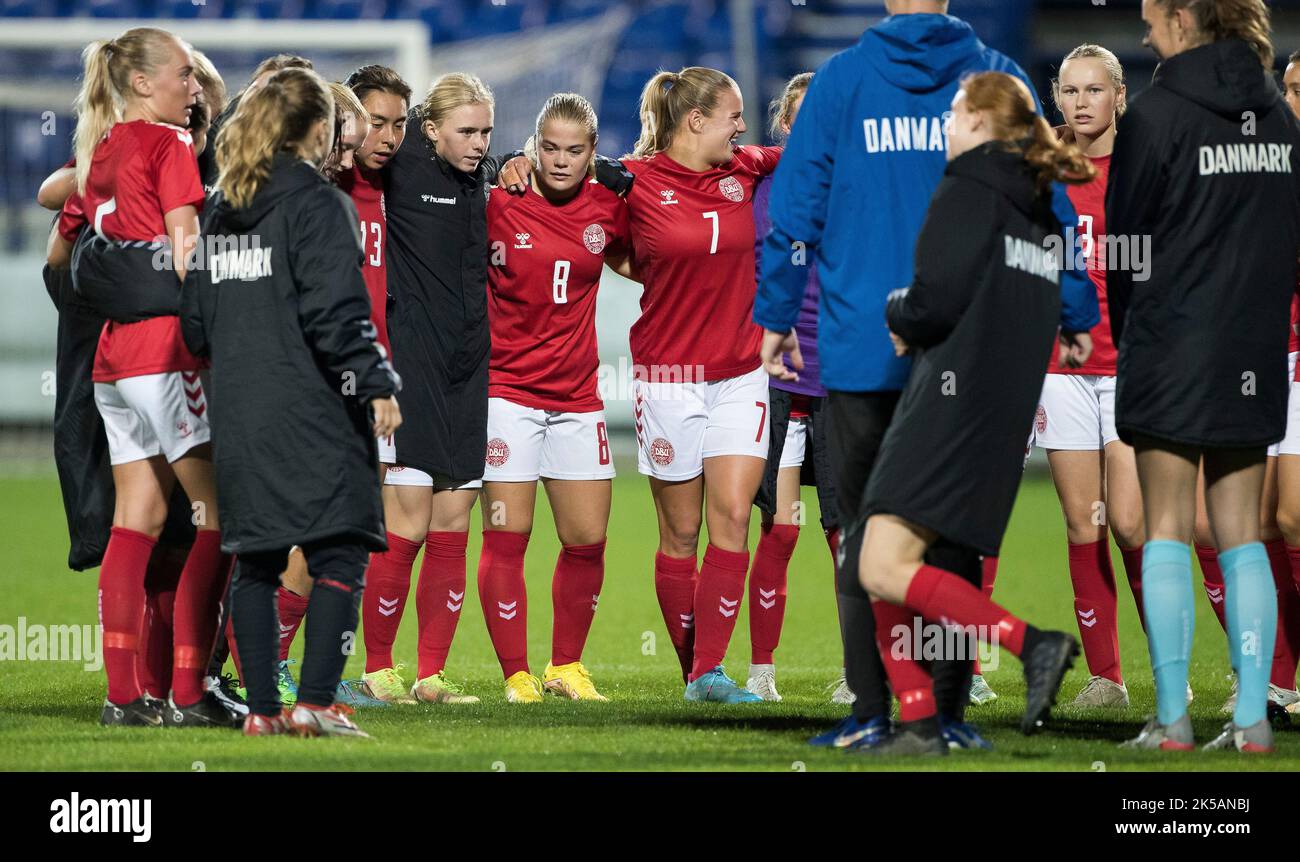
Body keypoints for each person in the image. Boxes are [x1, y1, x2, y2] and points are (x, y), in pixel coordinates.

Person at [756, 0, 1096, 749]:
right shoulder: (995, 77)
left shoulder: (843, 81)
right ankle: (944, 714)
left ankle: (878, 711)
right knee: (951, 542)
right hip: (968, 354)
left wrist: (777, 315)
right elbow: (1054, 202)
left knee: (865, 538)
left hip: (861, 343)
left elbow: (794, 208)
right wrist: (1075, 312)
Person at [856, 71, 1093, 755]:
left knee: (875, 562)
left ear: (986, 122)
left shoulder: (969, 186)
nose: (947, 123)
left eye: (957, 111)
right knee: (882, 556)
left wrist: (897, 311)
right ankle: (921, 721)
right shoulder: (1043, 204)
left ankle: (1030, 645)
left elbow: (935, 299)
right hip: (1004, 404)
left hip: (950, 397)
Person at [181, 66, 402, 737]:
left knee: (256, 560)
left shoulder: (219, 207)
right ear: (314, 129)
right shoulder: (316, 201)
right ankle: (315, 701)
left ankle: (265, 716)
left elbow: (195, 324)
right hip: (313, 407)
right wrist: (375, 381)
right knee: (339, 552)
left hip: (241, 409)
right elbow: (337, 313)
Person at [1111, 0, 1300, 754]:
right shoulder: (1280, 121)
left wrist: (1136, 325)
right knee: (1242, 534)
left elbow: (1125, 244)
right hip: (1254, 348)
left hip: (1170, 344)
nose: (1146, 26)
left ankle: (1172, 720)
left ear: (1185, 18)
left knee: (1164, 527)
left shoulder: (1157, 114)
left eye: (1153, 13)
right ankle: (1252, 720)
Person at [55, 26, 237, 728]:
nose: (194, 88)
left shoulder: (99, 150)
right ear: (142, 82)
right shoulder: (167, 145)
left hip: (113, 357)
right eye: (185, 75)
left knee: (139, 519)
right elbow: (187, 253)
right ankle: (191, 690)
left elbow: (68, 245)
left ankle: (127, 695)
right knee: (220, 515)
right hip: (165, 352)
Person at [620, 66, 780, 703]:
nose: (743, 126)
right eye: (733, 115)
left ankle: (710, 670)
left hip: (742, 373)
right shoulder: (630, 179)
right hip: (669, 377)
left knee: (734, 517)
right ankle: (695, 672)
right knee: (680, 534)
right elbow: (594, 229)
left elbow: (803, 150)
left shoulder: (747, 166)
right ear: (695, 121)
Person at [478, 92, 631, 701]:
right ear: (532, 144)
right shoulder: (498, 200)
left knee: (587, 539)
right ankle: (517, 675)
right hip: (506, 393)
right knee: (507, 537)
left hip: (577, 398)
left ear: (592, 152)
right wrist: (498, 164)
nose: (560, 160)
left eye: (574, 150)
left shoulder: (608, 208)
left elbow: (641, 257)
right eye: (549, 147)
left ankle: (565, 666)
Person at [1034, 44, 1146, 708]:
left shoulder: (1145, 168)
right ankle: (1108, 678)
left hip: (1131, 364)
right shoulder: (1041, 171)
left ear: (1119, 97)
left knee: (1132, 524)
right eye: (1070, 91)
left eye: (1094, 90)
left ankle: (1172, 665)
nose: (1081, 102)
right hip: (1063, 367)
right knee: (1085, 523)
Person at [267, 78, 378, 705]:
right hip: (291, 389)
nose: (347, 162)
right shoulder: (288, 203)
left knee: (325, 534)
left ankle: (293, 673)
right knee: (296, 536)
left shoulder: (317, 197)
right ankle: (263, 672)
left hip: (319, 385)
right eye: (341, 147)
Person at [746, 71, 841, 703]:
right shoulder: (751, 182)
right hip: (773, 379)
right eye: (799, 116)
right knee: (780, 530)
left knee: (847, 536)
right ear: (784, 123)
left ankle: (858, 672)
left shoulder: (861, 189)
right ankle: (761, 671)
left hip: (840, 381)